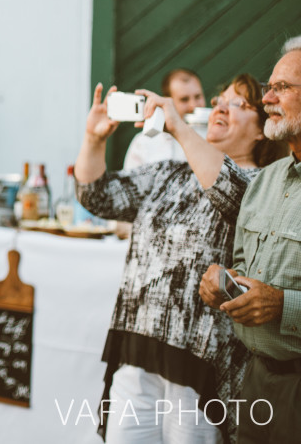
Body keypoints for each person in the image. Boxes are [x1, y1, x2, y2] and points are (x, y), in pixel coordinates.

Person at [75, 73, 284, 443]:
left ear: (261, 130)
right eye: (220, 98)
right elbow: (97, 195)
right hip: (137, 351)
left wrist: (178, 128)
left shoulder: (262, 187)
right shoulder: (170, 174)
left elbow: (230, 192)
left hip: (200, 368)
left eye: (237, 103)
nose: (220, 105)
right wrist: (94, 139)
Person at [199, 37, 301, 444]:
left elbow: (275, 298)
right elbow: (244, 265)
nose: (267, 99)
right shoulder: (269, 180)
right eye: (268, 87)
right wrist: (225, 283)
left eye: (282, 88)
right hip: (256, 382)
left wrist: (282, 304)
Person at [124, 68, 206, 169]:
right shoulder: (143, 142)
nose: (193, 106)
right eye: (184, 99)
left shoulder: (215, 135)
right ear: (167, 101)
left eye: (198, 97)